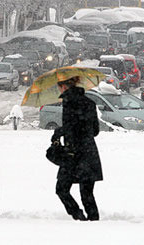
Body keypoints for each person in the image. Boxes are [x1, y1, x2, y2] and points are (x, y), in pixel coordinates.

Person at [51, 76, 103, 221]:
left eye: (59, 87)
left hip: (73, 154)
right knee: (87, 193)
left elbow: (70, 129)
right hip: (89, 152)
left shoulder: (68, 102)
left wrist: (59, 132)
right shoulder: (90, 103)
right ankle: (94, 221)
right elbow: (95, 131)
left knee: (61, 189)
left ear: (64, 87)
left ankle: (78, 215)